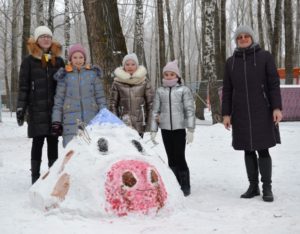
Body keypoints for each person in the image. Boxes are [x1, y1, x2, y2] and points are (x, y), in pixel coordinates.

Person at [222, 25, 282, 202]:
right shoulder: (230, 62)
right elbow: (227, 90)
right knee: (247, 150)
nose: (242, 38)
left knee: (263, 150)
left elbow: (273, 84)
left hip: (262, 110)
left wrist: (277, 108)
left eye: (246, 36)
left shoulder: (265, 57)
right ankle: (253, 186)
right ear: (236, 40)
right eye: (239, 37)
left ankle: (267, 188)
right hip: (240, 112)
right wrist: (226, 114)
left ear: (252, 38)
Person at [16, 26, 65, 184]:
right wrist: (21, 108)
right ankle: (35, 177)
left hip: (54, 110)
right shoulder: (28, 61)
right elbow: (23, 87)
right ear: (37, 40)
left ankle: (52, 177)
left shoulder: (58, 61)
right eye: (42, 37)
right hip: (36, 109)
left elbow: (65, 86)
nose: (46, 39)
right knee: (37, 143)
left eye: (48, 37)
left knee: (53, 143)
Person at [150, 60, 195, 196]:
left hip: (179, 128)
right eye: (166, 74)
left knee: (180, 156)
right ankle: (175, 184)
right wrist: (153, 129)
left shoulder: (183, 90)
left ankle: (185, 185)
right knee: (171, 158)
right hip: (165, 129)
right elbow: (155, 111)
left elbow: (189, 109)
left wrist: (191, 129)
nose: (169, 76)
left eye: (172, 74)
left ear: (177, 76)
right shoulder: (160, 91)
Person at [51, 44, 106, 147]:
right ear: (70, 59)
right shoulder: (64, 76)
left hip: (91, 120)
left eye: (81, 57)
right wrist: (56, 121)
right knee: (73, 154)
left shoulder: (93, 74)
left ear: (84, 58)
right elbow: (58, 101)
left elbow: (100, 98)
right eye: (75, 57)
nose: (78, 60)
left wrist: (104, 116)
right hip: (70, 122)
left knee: (92, 151)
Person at [109, 53, 153, 138]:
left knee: (139, 150)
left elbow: (151, 104)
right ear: (123, 66)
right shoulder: (117, 83)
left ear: (137, 66)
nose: (130, 67)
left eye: (133, 64)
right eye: (127, 64)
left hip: (140, 124)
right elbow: (112, 104)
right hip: (123, 125)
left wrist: (149, 125)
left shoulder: (144, 82)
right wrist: (116, 123)